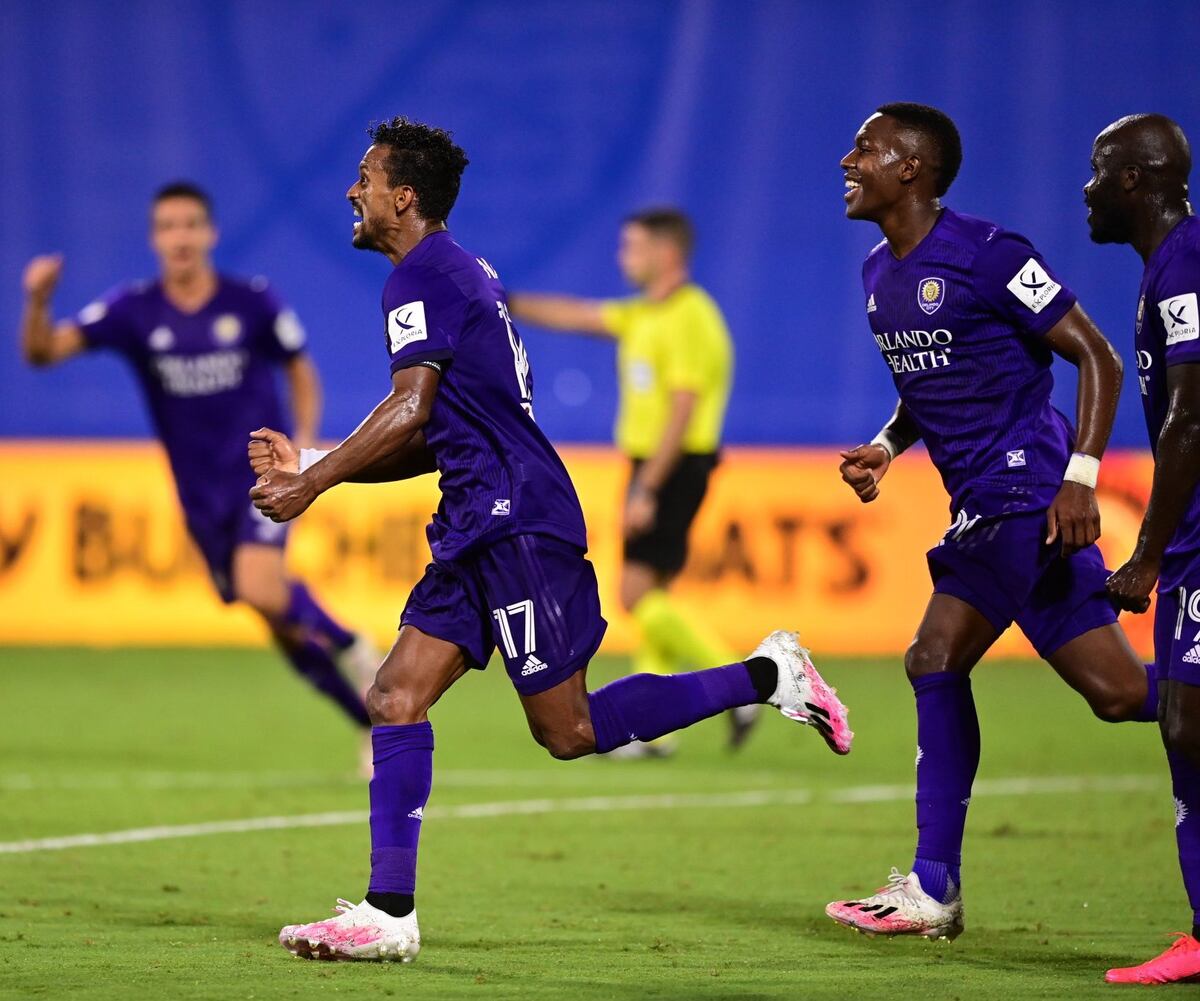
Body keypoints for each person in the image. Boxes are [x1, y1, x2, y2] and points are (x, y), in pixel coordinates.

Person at [248, 116, 852, 963]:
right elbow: (430, 434)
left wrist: (312, 479)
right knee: (394, 697)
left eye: (367, 177)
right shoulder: (453, 272)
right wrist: (320, 461)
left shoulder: (424, 275)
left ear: (404, 196)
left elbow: (412, 409)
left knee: (567, 729)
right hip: (474, 519)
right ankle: (388, 914)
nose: (354, 191)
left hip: (517, 520)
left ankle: (771, 672)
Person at [825, 103, 1158, 940]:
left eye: (866, 147)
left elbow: (1097, 355)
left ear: (912, 168)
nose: (848, 158)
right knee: (1118, 694)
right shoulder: (877, 273)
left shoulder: (990, 253)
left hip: (1028, 490)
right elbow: (929, 377)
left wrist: (1079, 478)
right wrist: (888, 443)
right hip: (985, 495)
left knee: (933, 655)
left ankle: (934, 887)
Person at [19, 182, 375, 740]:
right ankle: (369, 725)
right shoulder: (132, 311)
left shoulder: (251, 301)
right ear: (155, 239)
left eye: (190, 224)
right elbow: (42, 353)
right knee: (275, 621)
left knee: (260, 586)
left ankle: (356, 645)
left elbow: (300, 368)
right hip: (199, 495)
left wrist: (305, 441)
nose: (179, 236)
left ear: (209, 233)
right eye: (168, 226)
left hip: (263, 473)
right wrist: (38, 301)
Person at [509, 210, 756, 753]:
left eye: (633, 247)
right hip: (659, 466)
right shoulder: (646, 313)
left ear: (667, 254)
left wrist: (648, 487)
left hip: (672, 465)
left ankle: (745, 680)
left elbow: (682, 411)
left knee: (633, 595)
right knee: (655, 594)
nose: (623, 257)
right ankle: (654, 733)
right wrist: (507, 302)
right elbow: (579, 316)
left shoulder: (693, 317)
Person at [1085, 113, 1200, 985]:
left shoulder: (1185, 264)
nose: (1085, 188)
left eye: (1097, 171)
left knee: (1187, 720)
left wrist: (1152, 552)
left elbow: (1192, 414)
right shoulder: (1164, 269)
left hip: (1198, 543)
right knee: (1181, 719)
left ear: (1134, 180)